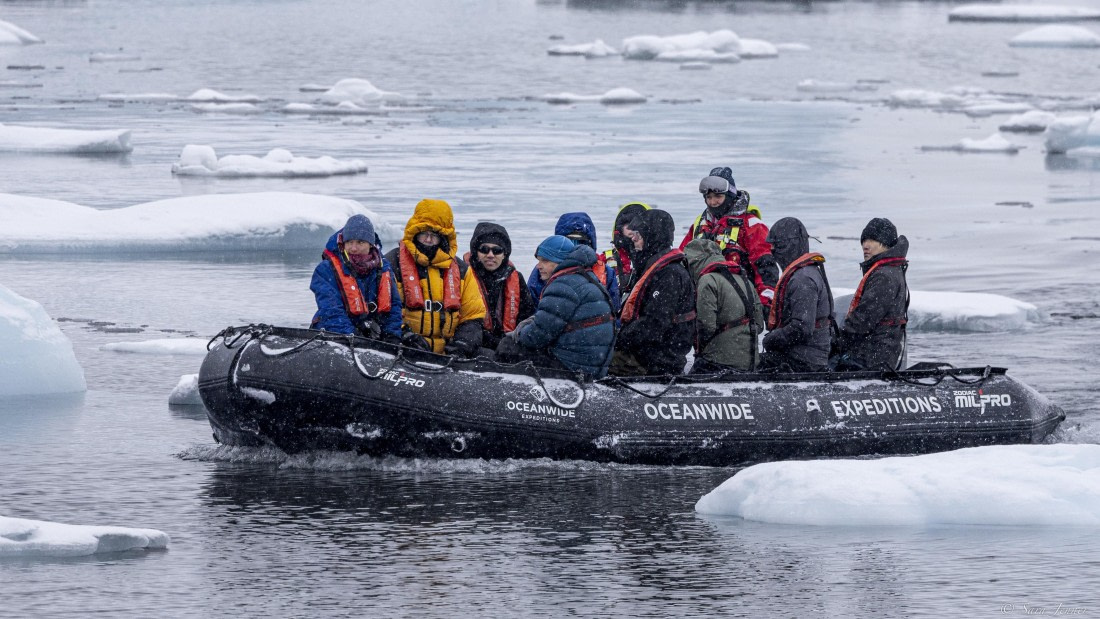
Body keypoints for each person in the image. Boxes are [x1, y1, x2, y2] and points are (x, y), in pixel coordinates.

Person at [499, 235, 616, 379]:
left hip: (571, 368)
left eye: (545, 261)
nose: (539, 266)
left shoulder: (563, 284)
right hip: (591, 365)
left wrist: (518, 332)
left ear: (559, 261)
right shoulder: (584, 277)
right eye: (539, 260)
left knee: (508, 346)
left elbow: (537, 336)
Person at [383, 199, 487, 356]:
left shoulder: (462, 270)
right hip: (404, 349)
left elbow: (473, 317)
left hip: (448, 354)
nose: (429, 240)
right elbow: (383, 311)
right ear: (415, 233)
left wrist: (461, 345)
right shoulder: (392, 263)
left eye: (434, 235)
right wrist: (405, 336)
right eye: (424, 233)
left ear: (444, 237)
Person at [679, 167, 779, 313]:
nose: (713, 202)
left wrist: (765, 303)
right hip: (702, 305)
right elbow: (682, 259)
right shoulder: (699, 225)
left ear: (730, 195)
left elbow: (766, 268)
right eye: (709, 197)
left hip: (738, 307)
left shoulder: (752, 225)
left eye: (718, 196)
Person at [612, 209, 696, 376]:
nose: (633, 238)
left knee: (599, 362)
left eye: (638, 234)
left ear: (652, 237)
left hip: (659, 359)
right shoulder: (650, 266)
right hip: (647, 352)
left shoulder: (669, 274)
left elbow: (654, 324)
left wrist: (617, 338)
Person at [310, 214, 404, 341]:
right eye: (349, 242)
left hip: (371, 334)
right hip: (333, 334)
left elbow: (394, 307)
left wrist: (391, 336)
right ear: (343, 243)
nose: (353, 248)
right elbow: (331, 310)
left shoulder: (383, 268)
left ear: (371, 244)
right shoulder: (326, 269)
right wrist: (352, 336)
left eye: (360, 242)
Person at [759, 217, 835, 373]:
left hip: (804, 359)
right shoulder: (803, 273)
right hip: (803, 353)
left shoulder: (803, 279)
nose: (772, 252)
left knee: (748, 366)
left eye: (776, 246)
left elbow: (801, 327)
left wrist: (772, 339)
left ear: (789, 245)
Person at [834, 218, 910, 371]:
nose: (865, 246)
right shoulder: (890, 269)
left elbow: (862, 320)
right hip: (881, 353)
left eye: (873, 240)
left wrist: (835, 344)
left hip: (872, 357)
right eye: (864, 240)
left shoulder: (884, 276)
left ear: (886, 243)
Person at [683, 238, 765, 374]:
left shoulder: (707, 280)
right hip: (750, 364)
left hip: (718, 362)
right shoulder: (745, 280)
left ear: (696, 263)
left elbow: (706, 326)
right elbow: (759, 325)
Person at [527, 212, 621, 314]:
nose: (577, 249)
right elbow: (531, 309)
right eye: (569, 242)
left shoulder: (606, 272)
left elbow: (614, 310)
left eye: (582, 243)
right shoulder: (541, 271)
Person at [466, 222, 537, 350]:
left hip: (508, 345)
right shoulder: (464, 275)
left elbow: (527, 317)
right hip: (474, 343)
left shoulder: (516, 278)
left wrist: (512, 341)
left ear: (505, 254)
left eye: (497, 250)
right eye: (484, 249)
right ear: (476, 252)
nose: (490, 255)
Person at [602, 202, 651, 304]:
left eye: (636, 224)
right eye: (628, 225)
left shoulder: (656, 258)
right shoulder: (604, 259)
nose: (632, 229)